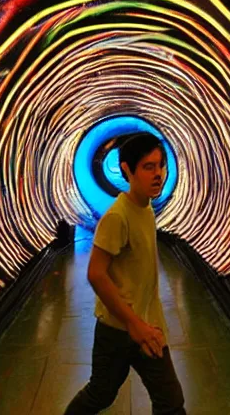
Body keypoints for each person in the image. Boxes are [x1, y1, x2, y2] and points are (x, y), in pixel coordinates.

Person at [64, 132, 186, 414]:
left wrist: (146, 321)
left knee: (170, 401)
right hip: (118, 329)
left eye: (160, 165)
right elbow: (95, 273)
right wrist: (133, 323)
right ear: (127, 170)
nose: (158, 174)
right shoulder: (118, 217)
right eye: (148, 167)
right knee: (101, 394)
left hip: (145, 325)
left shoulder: (146, 208)